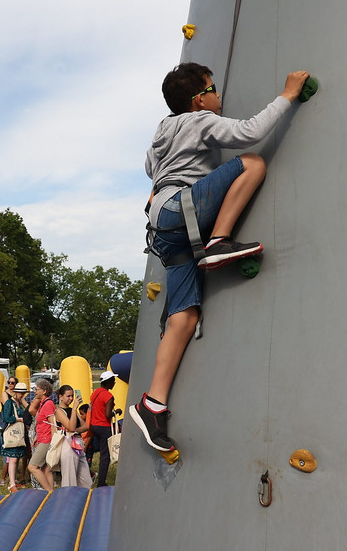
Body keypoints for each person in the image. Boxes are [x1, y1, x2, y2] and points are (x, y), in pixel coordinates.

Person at [133, 63, 311, 453]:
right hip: (183, 209)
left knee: (183, 316)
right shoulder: (199, 121)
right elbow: (249, 132)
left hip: (163, 229)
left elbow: (149, 166)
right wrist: (288, 94)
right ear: (199, 100)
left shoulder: (162, 132)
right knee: (252, 163)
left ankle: (153, 404)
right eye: (214, 89)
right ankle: (219, 241)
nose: (220, 95)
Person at [54, 386, 92, 488]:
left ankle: (83, 500)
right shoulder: (59, 411)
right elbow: (70, 427)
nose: (71, 399)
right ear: (60, 396)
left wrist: (75, 430)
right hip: (68, 445)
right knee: (70, 479)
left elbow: (85, 426)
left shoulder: (72, 410)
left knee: (87, 481)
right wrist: (75, 409)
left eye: (72, 396)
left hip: (78, 444)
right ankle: (67, 500)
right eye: (68, 396)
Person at [27, 379, 56, 492]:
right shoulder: (43, 404)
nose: (34, 391)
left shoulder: (48, 404)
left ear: (44, 391)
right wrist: (36, 437)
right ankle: (51, 491)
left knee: (32, 466)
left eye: (36, 389)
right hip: (42, 438)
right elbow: (42, 423)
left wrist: (53, 443)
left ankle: (48, 490)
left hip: (47, 440)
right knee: (45, 468)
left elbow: (52, 424)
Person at [89, 371, 118, 487]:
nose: (114, 383)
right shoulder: (108, 396)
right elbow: (107, 415)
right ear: (109, 382)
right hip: (103, 427)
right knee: (105, 455)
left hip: (93, 425)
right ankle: (101, 482)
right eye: (113, 381)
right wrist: (116, 412)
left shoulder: (95, 392)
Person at [0, 382, 28, 493]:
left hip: (18, 434)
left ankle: (13, 481)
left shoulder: (18, 403)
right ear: (15, 392)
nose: (22, 395)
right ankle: (11, 484)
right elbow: (6, 418)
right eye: (20, 393)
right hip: (12, 434)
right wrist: (19, 419)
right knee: (13, 459)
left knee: (16, 458)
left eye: (23, 393)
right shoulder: (9, 403)